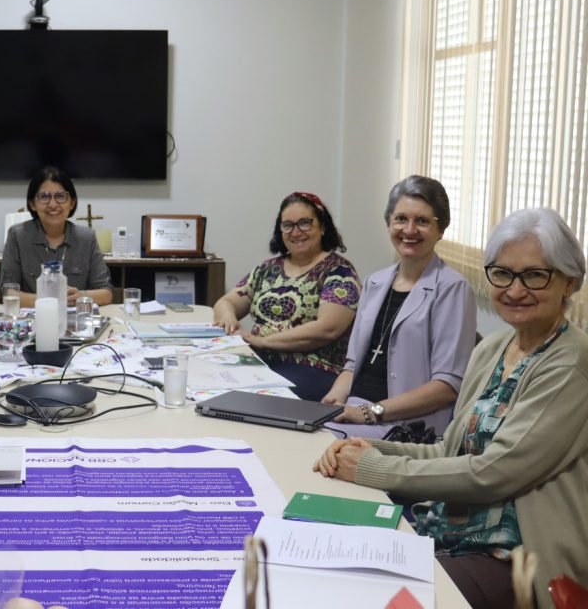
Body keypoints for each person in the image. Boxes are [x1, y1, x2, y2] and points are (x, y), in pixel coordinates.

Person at [315, 207, 588, 609]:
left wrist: (373, 468)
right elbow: (450, 450)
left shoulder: (571, 364)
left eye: (534, 275)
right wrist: (368, 448)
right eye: (503, 273)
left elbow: (493, 472)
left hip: (517, 555)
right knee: (338, 570)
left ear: (569, 282)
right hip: (450, 528)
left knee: (388, 600)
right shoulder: (493, 348)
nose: (515, 290)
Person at [321, 176, 477, 437]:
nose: (410, 230)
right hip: (356, 413)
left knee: (319, 449)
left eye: (423, 221)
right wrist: (334, 400)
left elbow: (447, 386)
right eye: (401, 219)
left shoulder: (453, 289)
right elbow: (353, 364)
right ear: (388, 223)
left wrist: (370, 412)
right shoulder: (375, 282)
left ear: (441, 230)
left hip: (408, 425)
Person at [213, 191, 360, 401]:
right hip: (258, 358)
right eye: (288, 225)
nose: (296, 232)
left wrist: (263, 341)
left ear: (322, 226)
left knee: (249, 398)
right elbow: (226, 302)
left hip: (311, 366)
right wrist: (228, 317)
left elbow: (327, 329)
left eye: (305, 223)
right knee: (208, 380)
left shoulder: (339, 272)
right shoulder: (268, 268)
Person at [0, 166, 112, 308]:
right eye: (44, 197)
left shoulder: (86, 238)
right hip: (34, 318)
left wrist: (81, 296)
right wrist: (51, 300)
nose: (53, 204)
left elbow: (106, 294)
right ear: (32, 204)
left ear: (72, 203)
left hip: (75, 318)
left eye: (60, 196)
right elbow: (7, 293)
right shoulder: (18, 235)